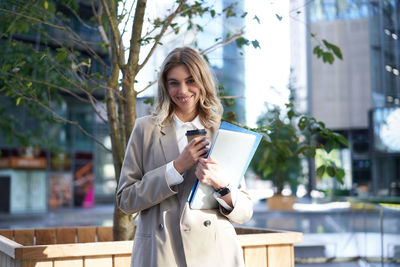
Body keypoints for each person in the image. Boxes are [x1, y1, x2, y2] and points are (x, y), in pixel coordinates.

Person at [116, 46, 253, 267]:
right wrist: (175, 168)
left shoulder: (221, 132)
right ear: (165, 85)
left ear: (203, 82)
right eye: (174, 82)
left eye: (191, 81)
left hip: (215, 255)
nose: (183, 90)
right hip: (162, 253)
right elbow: (125, 200)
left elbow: (245, 211)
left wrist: (222, 185)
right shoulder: (146, 129)